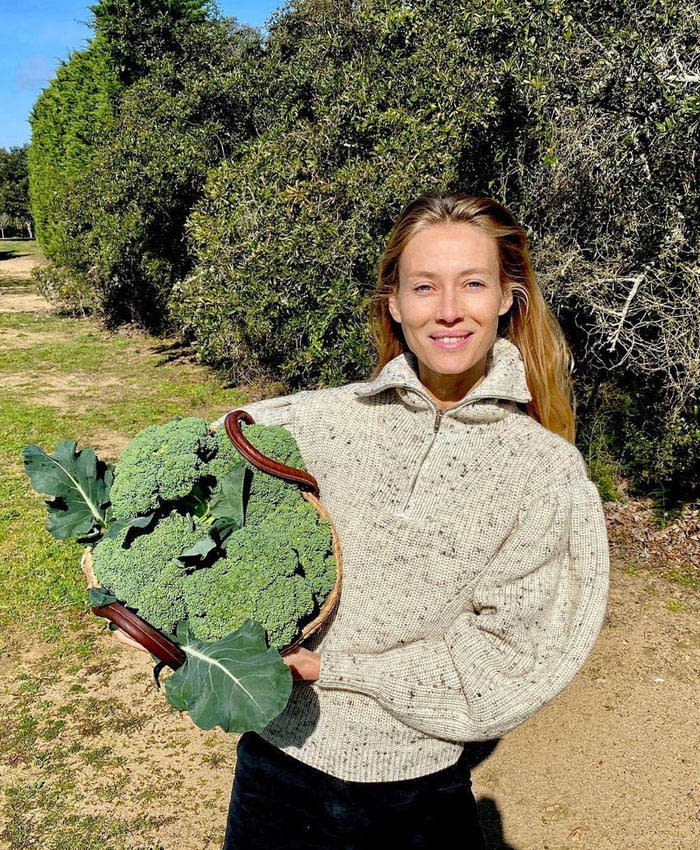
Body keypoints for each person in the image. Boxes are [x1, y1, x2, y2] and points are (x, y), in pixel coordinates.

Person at [114, 191, 610, 849]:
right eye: (425, 286)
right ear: (395, 304)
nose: (450, 309)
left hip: (421, 800)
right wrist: (156, 602)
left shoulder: (545, 473)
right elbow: (181, 473)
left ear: (507, 298)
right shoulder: (318, 420)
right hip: (275, 779)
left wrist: (335, 668)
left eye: (473, 284)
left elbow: (512, 665)